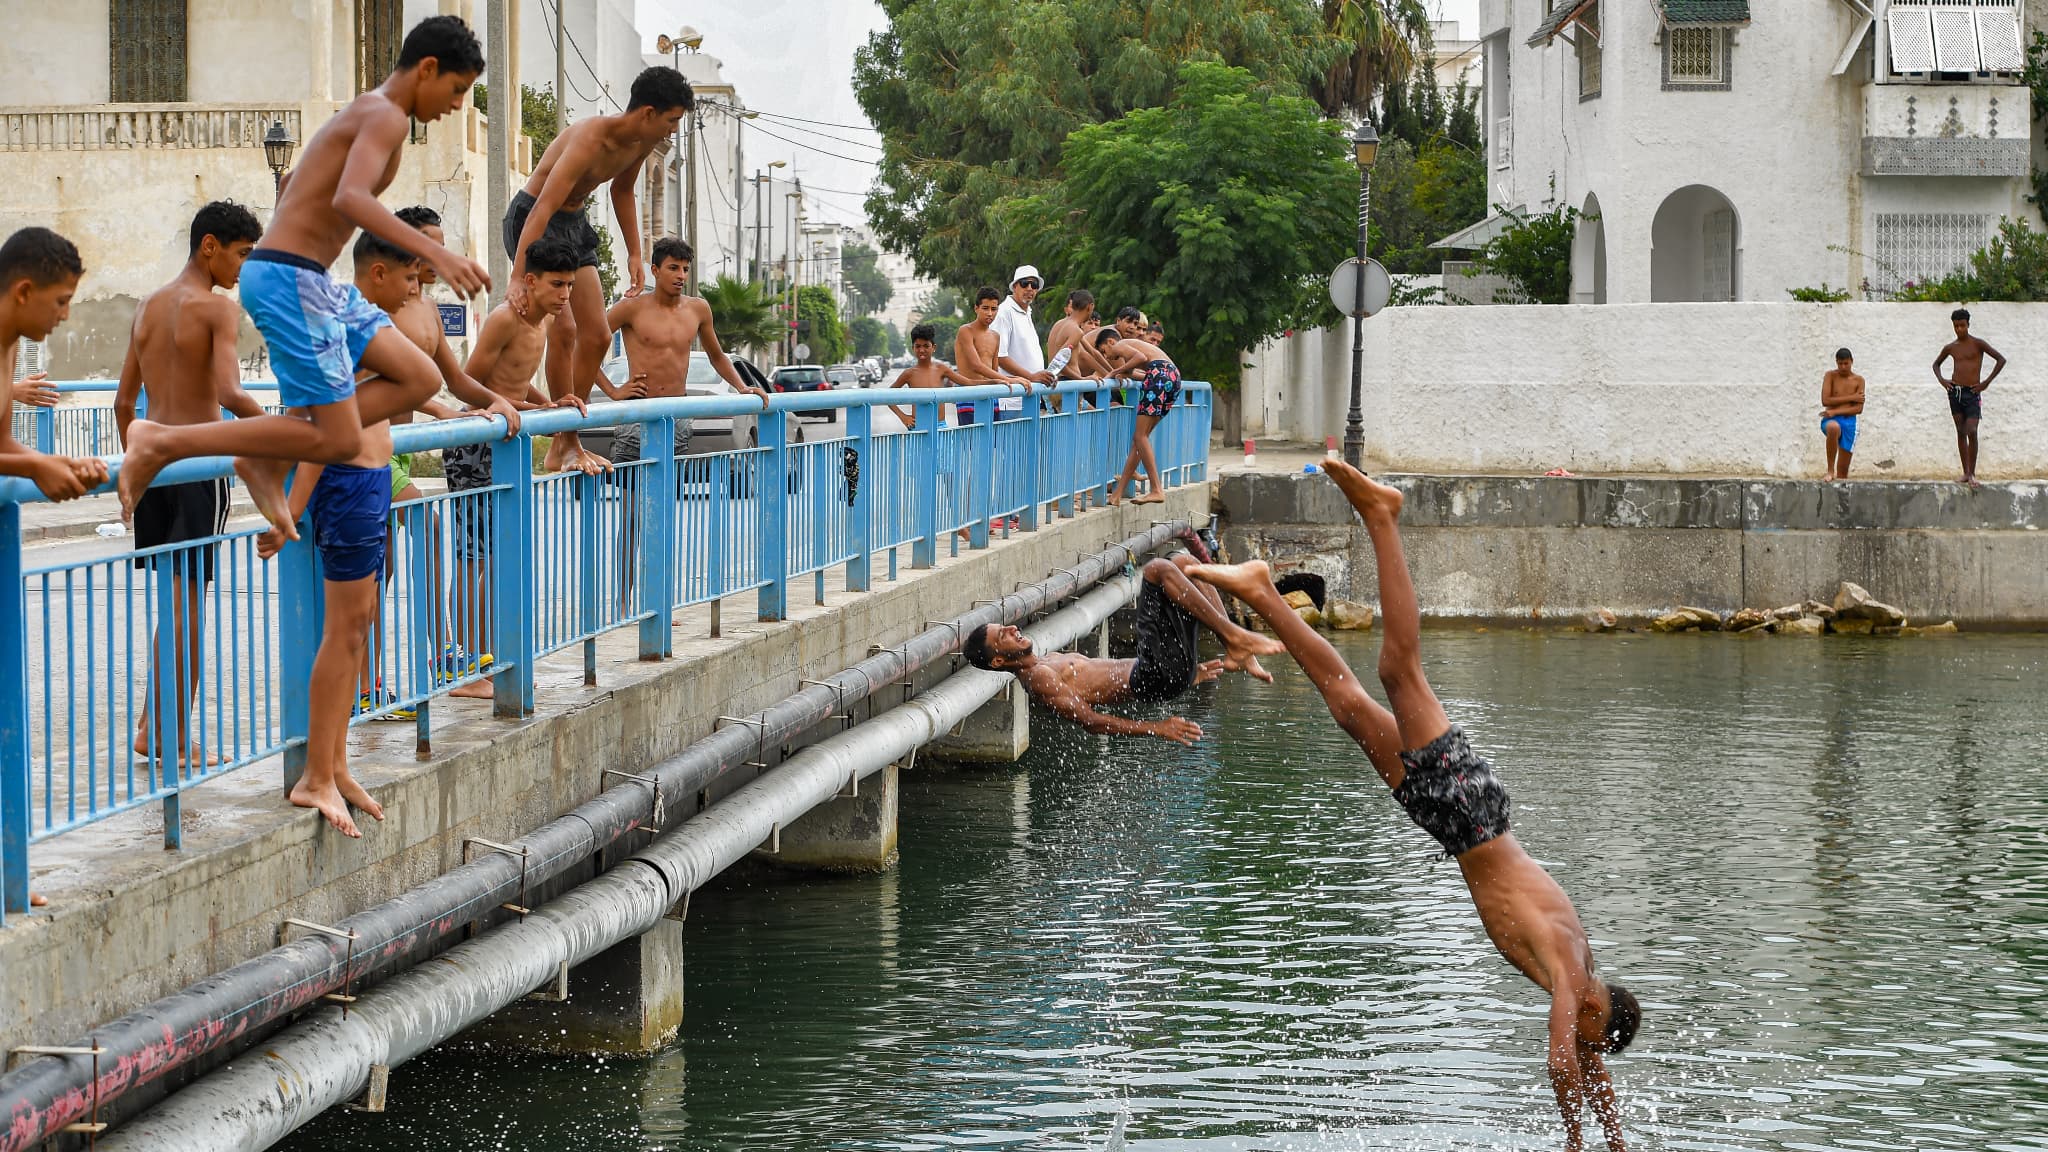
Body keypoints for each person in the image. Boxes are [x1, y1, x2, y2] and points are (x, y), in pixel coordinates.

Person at [1188, 460, 1641, 1152]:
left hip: (1456, 822)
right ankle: (1383, 515)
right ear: (1598, 1020)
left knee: (1347, 705)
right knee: (1400, 670)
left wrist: (1616, 1141)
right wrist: (1576, 1142)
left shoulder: (1581, 972)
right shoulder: (1572, 982)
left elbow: (1585, 1068)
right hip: (1471, 815)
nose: (1586, 1055)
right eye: (1594, 1046)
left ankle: (1263, 595)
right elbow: (1561, 1060)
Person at [117, 15, 519, 535]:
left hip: (314, 282)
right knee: (337, 439)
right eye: (458, 88)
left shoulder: (373, 112)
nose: (459, 105)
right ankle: (164, 442)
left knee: (420, 376)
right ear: (427, 68)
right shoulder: (386, 116)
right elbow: (349, 197)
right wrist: (436, 255)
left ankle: (265, 457)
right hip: (289, 279)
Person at [249, 229, 430, 838]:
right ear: (376, 272)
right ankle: (314, 774)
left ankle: (337, 762)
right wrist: (289, 511)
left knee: (359, 627)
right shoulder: (335, 321)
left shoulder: (358, 321)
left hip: (369, 477)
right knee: (344, 630)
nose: (418, 288)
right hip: (348, 482)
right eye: (411, 276)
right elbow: (309, 423)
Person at [114, 201, 268, 767]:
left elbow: (124, 403)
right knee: (190, 610)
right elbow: (229, 394)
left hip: (155, 469)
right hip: (199, 467)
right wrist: (291, 430)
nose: (243, 269)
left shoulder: (146, 307)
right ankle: (172, 735)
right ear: (210, 246)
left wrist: (134, 468)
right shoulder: (216, 311)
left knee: (170, 607)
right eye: (242, 255)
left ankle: (153, 722)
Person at [507, 65, 694, 472]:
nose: (673, 132)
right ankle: (564, 440)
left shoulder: (642, 142)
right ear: (647, 112)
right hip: (536, 220)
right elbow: (541, 208)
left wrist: (633, 253)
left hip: (574, 223)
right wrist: (518, 277)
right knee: (567, 329)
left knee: (595, 334)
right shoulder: (591, 139)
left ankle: (568, 440)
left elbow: (622, 190)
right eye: (671, 121)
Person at [961, 534, 1284, 744]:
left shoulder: (1047, 662)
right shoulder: (1039, 679)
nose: (1010, 629)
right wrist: (1157, 728)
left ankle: (1236, 644)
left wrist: (1190, 676)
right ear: (998, 660)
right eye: (1000, 635)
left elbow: (1106, 680)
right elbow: (1093, 722)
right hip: (1153, 675)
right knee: (1157, 568)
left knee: (1185, 563)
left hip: (1161, 672)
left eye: (1003, 626)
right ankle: (1236, 639)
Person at [442, 235, 583, 699]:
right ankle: (463, 671)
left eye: (569, 286)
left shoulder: (542, 321)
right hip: (475, 441)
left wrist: (548, 402)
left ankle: (488, 660)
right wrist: (516, 406)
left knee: (498, 556)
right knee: (471, 558)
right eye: (556, 285)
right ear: (530, 281)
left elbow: (517, 379)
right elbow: (470, 383)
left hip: (506, 440)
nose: (564, 295)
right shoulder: (506, 319)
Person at [605, 237, 767, 606]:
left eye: (685, 269)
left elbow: (716, 356)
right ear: (655, 269)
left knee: (662, 518)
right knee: (633, 519)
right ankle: (622, 604)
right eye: (673, 268)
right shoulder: (631, 308)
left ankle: (656, 604)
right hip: (637, 421)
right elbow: (588, 343)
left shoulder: (698, 309)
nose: (680, 275)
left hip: (675, 421)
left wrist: (744, 387)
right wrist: (614, 391)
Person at [0, 229, 113, 507]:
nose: (65, 315)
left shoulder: (10, 345)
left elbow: (3, 444)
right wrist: (35, 468)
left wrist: (60, 463)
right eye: (61, 301)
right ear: (24, 292)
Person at [1093, 326, 1180, 505]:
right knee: (1140, 441)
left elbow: (1141, 358)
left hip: (1160, 376)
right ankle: (1116, 495)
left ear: (1110, 342)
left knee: (1140, 436)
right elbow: (1140, 371)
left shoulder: (1120, 344)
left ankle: (1156, 489)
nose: (1107, 356)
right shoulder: (1132, 348)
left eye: (1104, 351)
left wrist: (1115, 372)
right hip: (1171, 377)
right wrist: (1125, 373)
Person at [1933, 307, 2005, 488]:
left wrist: (1986, 382)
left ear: (1968, 325)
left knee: (1971, 430)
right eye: (1956, 326)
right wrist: (1943, 381)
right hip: (1955, 392)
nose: (1959, 329)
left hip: (1972, 393)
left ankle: (1972, 473)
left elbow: (2000, 359)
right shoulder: (1951, 347)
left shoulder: (1978, 344)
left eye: (1962, 326)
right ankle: (1965, 473)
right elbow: (1936, 365)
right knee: (1960, 430)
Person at [951, 286, 1030, 426]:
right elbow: (976, 365)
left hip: (991, 394)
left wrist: (1016, 379)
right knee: (971, 443)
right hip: (970, 395)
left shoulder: (995, 336)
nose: (990, 313)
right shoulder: (965, 331)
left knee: (992, 443)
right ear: (976, 308)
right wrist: (1009, 380)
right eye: (985, 308)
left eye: (994, 309)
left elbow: (994, 372)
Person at [887, 322, 978, 429]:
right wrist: (903, 417)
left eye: (926, 346)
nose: (922, 350)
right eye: (918, 346)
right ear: (913, 348)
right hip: (918, 427)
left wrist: (997, 381)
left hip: (941, 427)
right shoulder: (909, 373)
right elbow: (888, 397)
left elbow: (968, 382)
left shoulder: (941, 369)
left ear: (933, 347)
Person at [992, 265, 1054, 422]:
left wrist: (1044, 377)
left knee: (1030, 446)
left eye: (1034, 285)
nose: (1029, 288)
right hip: (1012, 399)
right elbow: (1000, 356)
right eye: (1024, 283)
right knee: (1012, 446)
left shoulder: (1027, 312)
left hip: (1031, 396)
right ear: (1014, 286)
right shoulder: (1005, 312)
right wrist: (1032, 376)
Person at [1820, 347, 1864, 482]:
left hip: (1850, 422)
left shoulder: (1859, 380)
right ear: (1836, 362)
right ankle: (1829, 470)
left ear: (1852, 361)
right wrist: (1852, 397)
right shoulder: (1830, 376)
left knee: (1843, 472)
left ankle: (1841, 502)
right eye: (1840, 364)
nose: (1843, 367)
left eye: (1846, 363)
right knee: (1833, 428)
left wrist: (1834, 411)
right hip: (1831, 419)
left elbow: (1858, 408)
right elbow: (1825, 400)